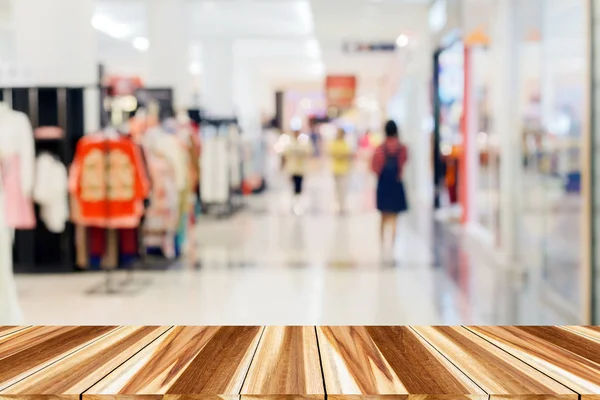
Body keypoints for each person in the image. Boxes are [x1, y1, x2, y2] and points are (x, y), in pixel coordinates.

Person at [371, 120, 408, 252]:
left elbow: (374, 167)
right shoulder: (402, 148)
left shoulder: (380, 149)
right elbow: (403, 163)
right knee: (394, 218)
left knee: (383, 216)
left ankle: (382, 246)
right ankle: (392, 246)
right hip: (396, 184)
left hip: (384, 185)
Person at [284, 130, 312, 213]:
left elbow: (308, 151)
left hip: (300, 169)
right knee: (293, 185)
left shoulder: (303, 143)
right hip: (292, 169)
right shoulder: (290, 143)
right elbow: (286, 153)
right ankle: (294, 201)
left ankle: (298, 201)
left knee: (299, 185)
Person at [328, 128, 353, 214]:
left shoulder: (345, 143)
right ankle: (338, 206)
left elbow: (348, 154)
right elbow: (334, 153)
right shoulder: (335, 143)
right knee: (337, 189)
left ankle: (343, 206)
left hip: (344, 169)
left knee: (343, 189)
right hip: (336, 169)